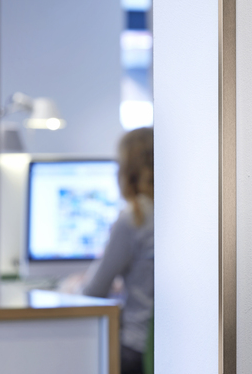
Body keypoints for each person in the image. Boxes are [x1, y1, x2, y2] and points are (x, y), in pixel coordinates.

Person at [82, 127, 154, 374]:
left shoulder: (134, 217)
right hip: (168, 343)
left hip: (136, 348)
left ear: (127, 170)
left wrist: (70, 288)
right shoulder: (175, 211)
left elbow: (94, 291)